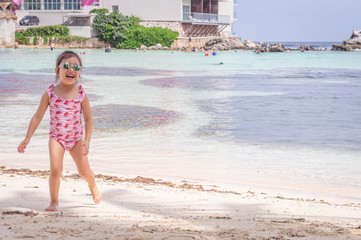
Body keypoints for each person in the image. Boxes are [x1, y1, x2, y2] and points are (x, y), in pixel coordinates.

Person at [17, 51, 103, 212]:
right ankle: (54, 202)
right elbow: (37, 116)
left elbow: (89, 119)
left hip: (76, 139)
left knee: (84, 171)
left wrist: (87, 139)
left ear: (80, 72)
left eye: (76, 67)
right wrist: (27, 138)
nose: (71, 70)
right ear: (56, 71)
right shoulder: (50, 93)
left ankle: (93, 186)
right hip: (56, 138)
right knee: (56, 170)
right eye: (66, 66)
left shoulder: (82, 94)